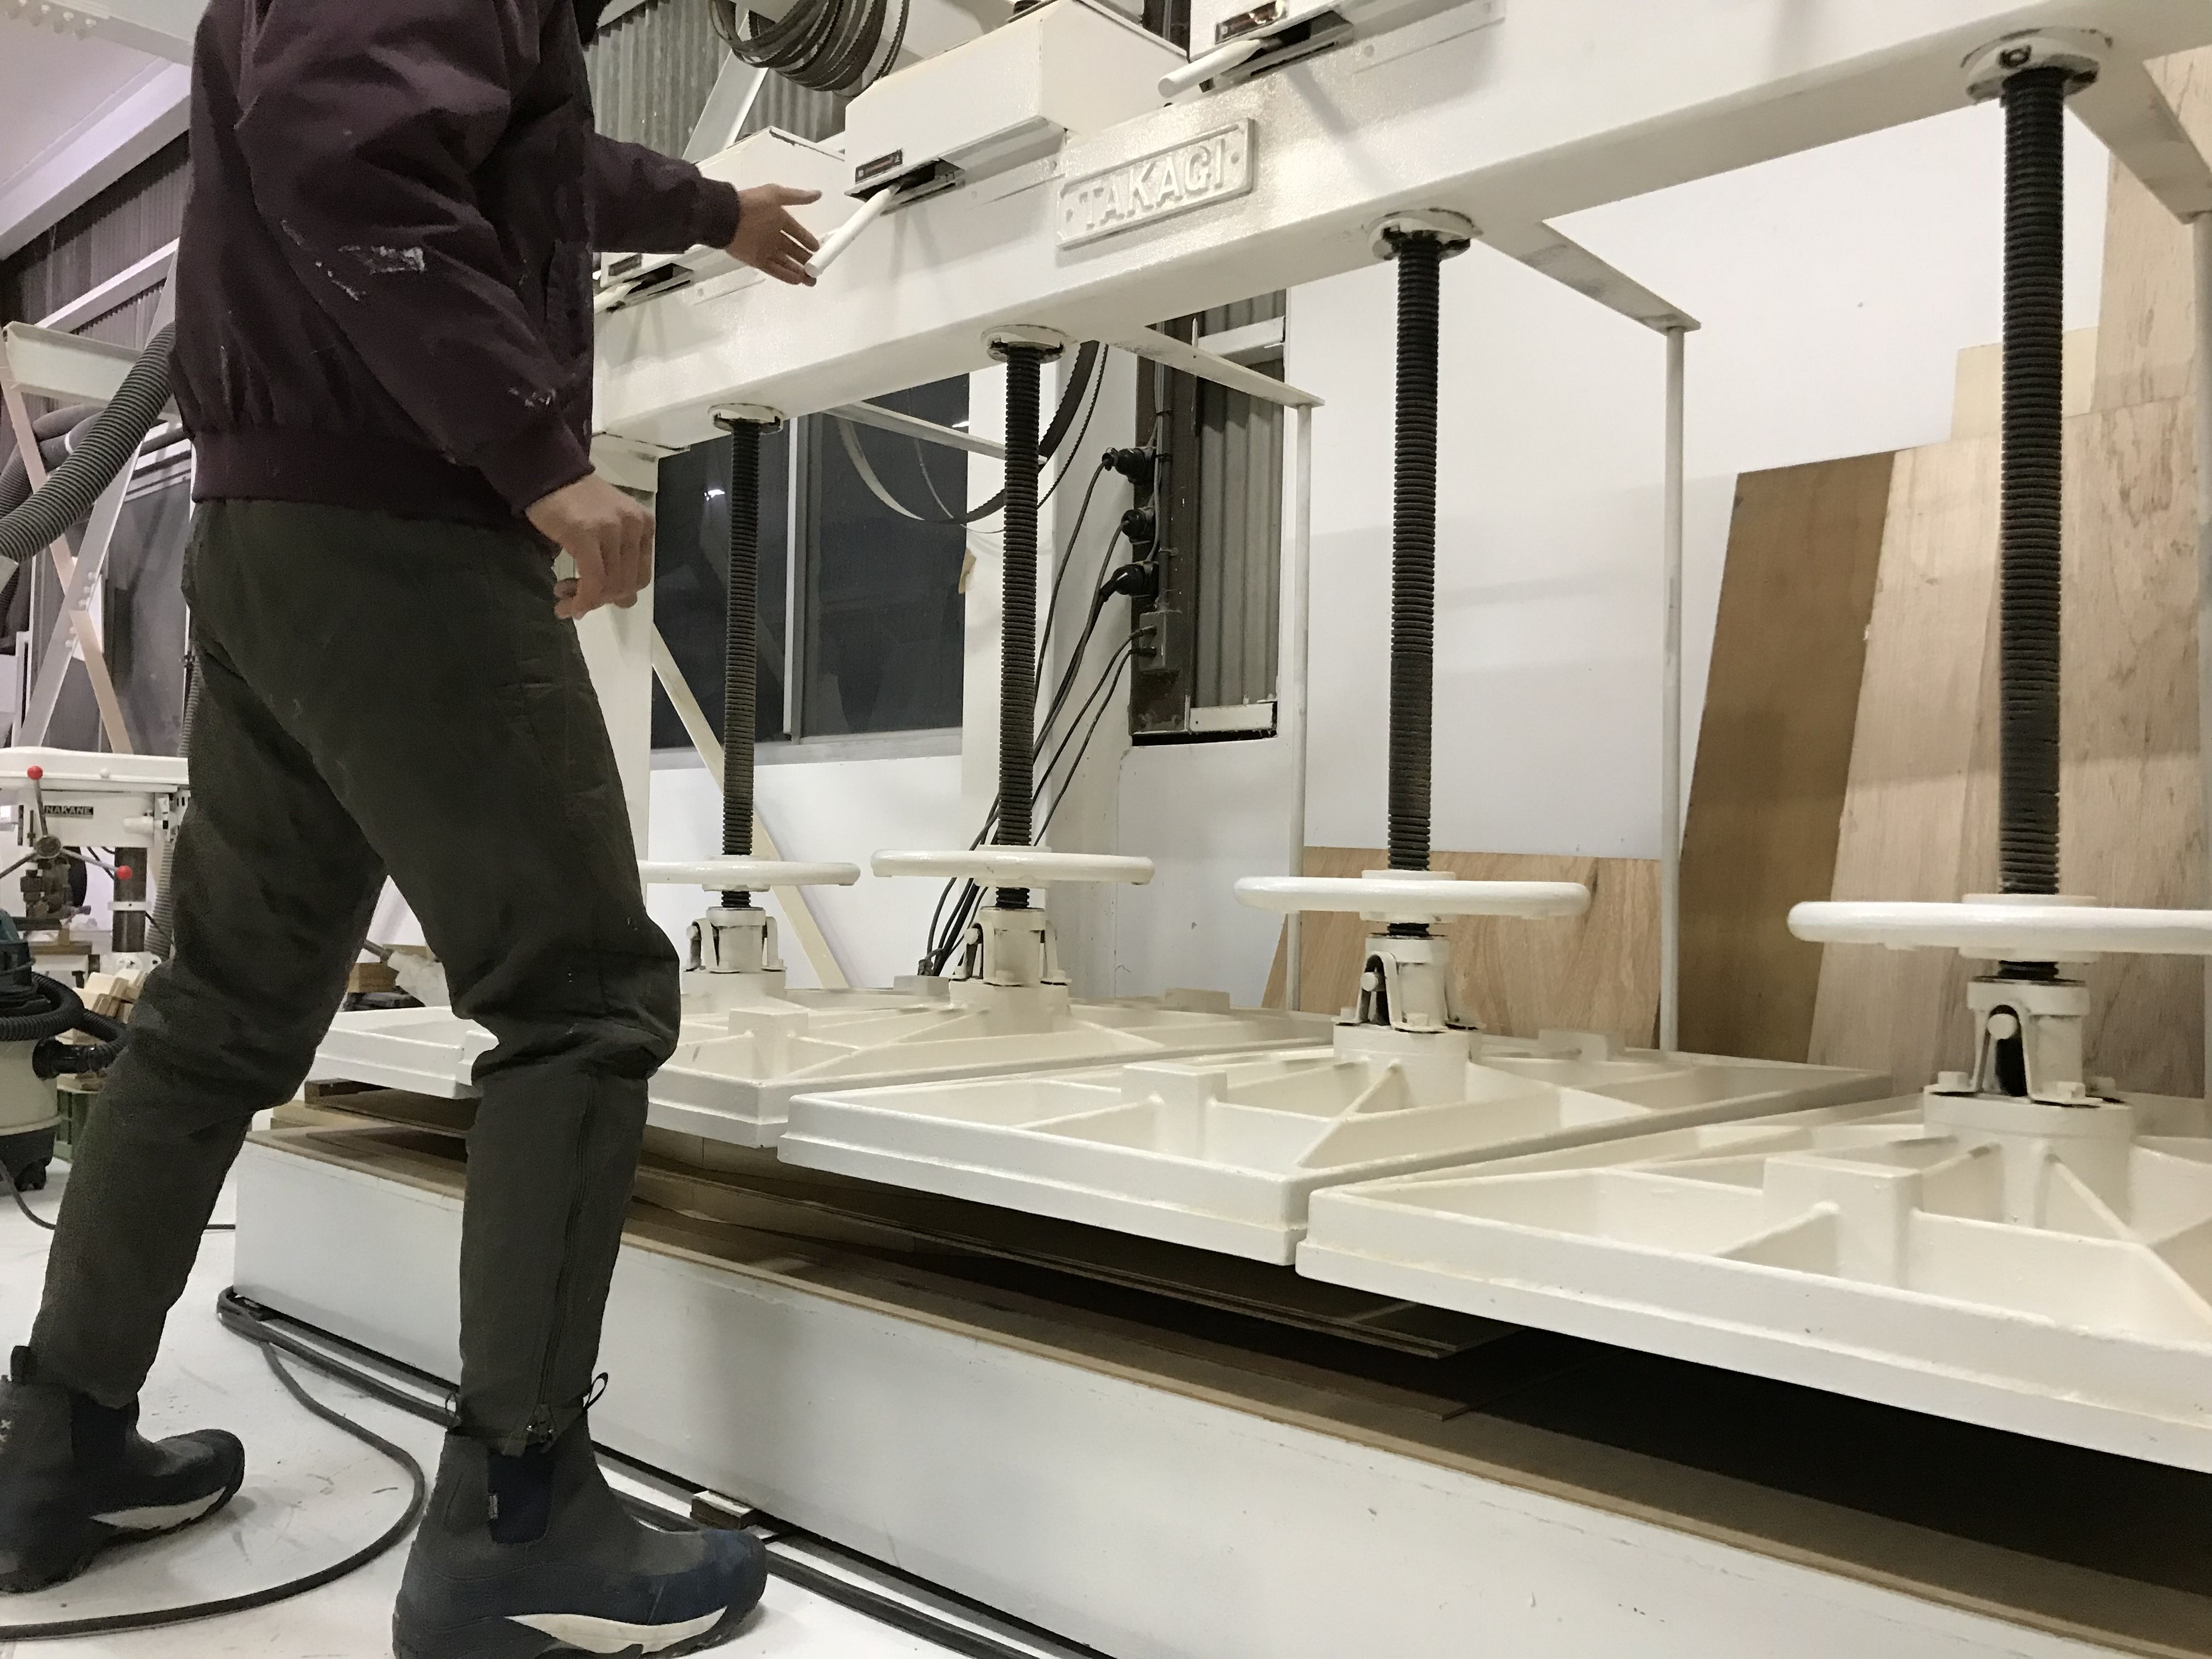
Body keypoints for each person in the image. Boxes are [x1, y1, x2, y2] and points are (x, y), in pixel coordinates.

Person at [0, 2, 820, 1654]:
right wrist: (533, 450)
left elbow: (501, 159)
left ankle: (55, 1444)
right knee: (582, 1001)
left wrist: (709, 208)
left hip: (278, 531)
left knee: (223, 1011)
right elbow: (352, 161)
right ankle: (522, 1524)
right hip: (404, 526)